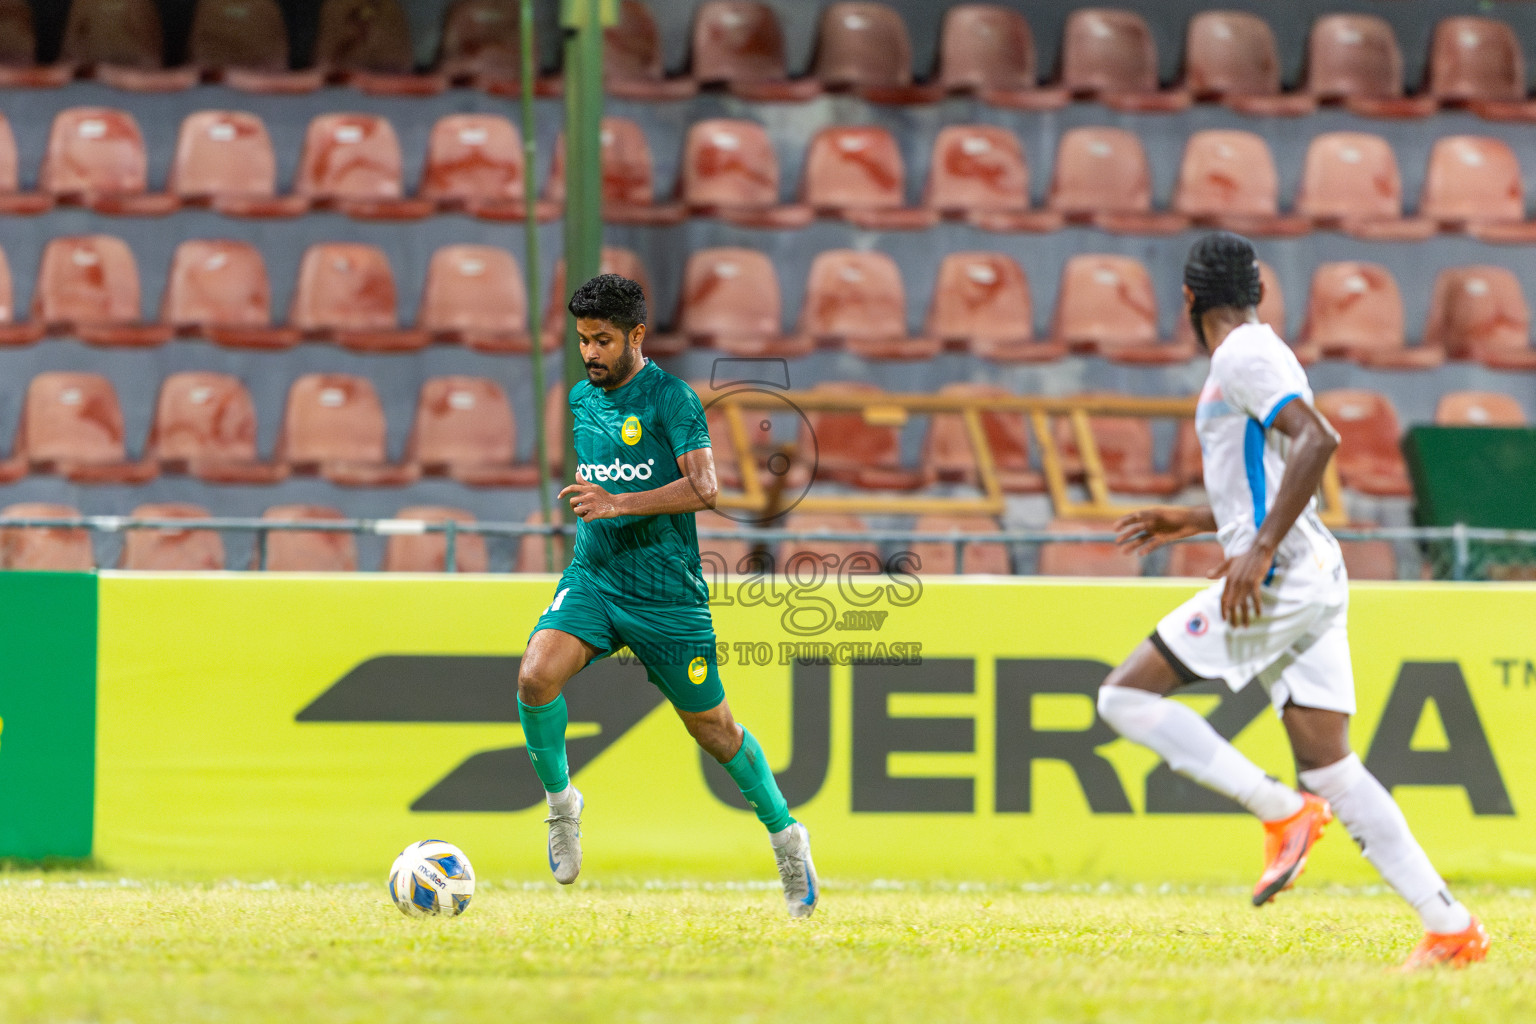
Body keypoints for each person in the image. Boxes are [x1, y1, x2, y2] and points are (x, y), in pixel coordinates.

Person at [1099, 232, 1487, 970]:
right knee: (1331, 765)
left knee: (1123, 698)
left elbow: (1318, 439)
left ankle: (1280, 811)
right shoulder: (1260, 352)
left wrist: (1258, 549)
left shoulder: (1241, 356)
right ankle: (1451, 927)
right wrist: (1197, 520)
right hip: (1310, 568)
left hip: (1281, 575)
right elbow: (1274, 474)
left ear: (1187, 299)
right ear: (1257, 291)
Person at [517, 273, 818, 917]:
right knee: (536, 677)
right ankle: (562, 805)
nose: (590, 353)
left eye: (602, 340)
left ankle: (787, 837)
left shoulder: (672, 398)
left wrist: (618, 502)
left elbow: (707, 489)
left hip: (665, 595)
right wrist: (603, 503)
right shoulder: (580, 398)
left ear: (636, 336)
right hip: (595, 577)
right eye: (582, 340)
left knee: (714, 729)